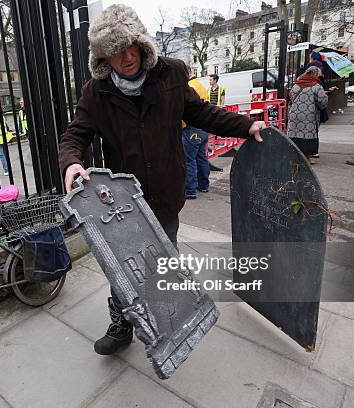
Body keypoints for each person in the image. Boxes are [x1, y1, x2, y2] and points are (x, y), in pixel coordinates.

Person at [58, 4, 266, 356]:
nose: (126, 57)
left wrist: (246, 126)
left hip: (166, 193)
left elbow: (201, 112)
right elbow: (75, 135)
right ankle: (122, 322)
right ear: (103, 58)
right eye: (114, 51)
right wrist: (72, 164)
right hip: (121, 203)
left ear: (141, 43)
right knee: (123, 267)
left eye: (131, 46)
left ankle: (168, 315)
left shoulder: (170, 74)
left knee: (161, 261)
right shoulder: (96, 91)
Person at [286, 66, 328, 165]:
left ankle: (295, 158)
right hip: (309, 116)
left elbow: (291, 96)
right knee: (307, 137)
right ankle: (307, 158)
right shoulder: (317, 86)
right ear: (316, 74)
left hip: (294, 115)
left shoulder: (296, 85)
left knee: (294, 136)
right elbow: (322, 102)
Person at [182, 68, 210, 198]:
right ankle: (204, 185)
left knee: (189, 160)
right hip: (203, 127)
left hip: (191, 129)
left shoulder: (188, 87)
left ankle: (190, 190)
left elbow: (184, 109)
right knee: (202, 157)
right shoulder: (201, 85)